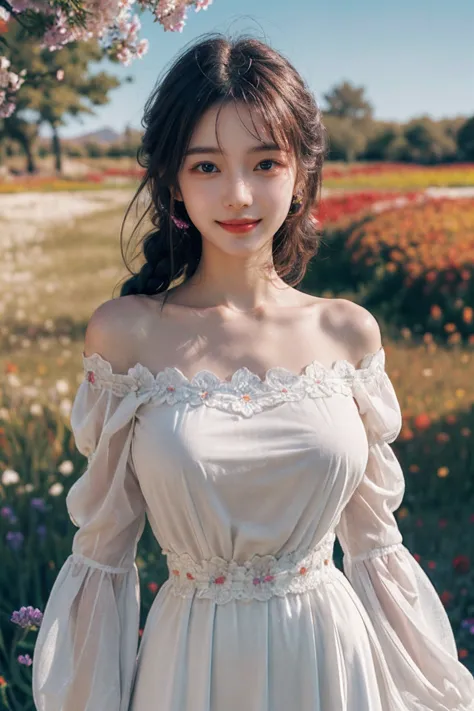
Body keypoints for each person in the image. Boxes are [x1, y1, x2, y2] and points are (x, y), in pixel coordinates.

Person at [32, 33, 474, 711]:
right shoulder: (126, 335)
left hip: (330, 659)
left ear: (301, 172)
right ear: (173, 179)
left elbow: (375, 547)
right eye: (206, 166)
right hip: (190, 668)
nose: (238, 194)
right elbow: (104, 556)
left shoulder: (348, 332)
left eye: (265, 161)